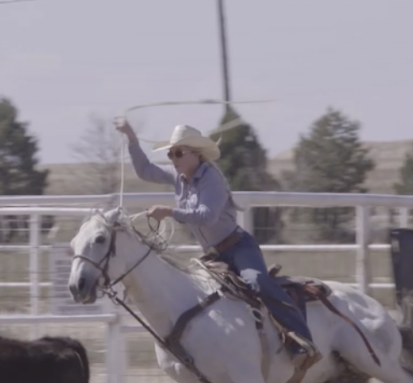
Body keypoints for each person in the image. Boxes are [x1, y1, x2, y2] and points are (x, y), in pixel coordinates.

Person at [114, 117, 318, 367]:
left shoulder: (211, 179)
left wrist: (169, 212)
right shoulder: (179, 177)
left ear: (195, 154)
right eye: (171, 154)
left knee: (257, 282)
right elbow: (145, 170)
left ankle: (302, 340)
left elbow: (207, 216)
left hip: (237, 246)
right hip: (213, 253)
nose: (174, 159)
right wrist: (132, 138)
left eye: (178, 153)